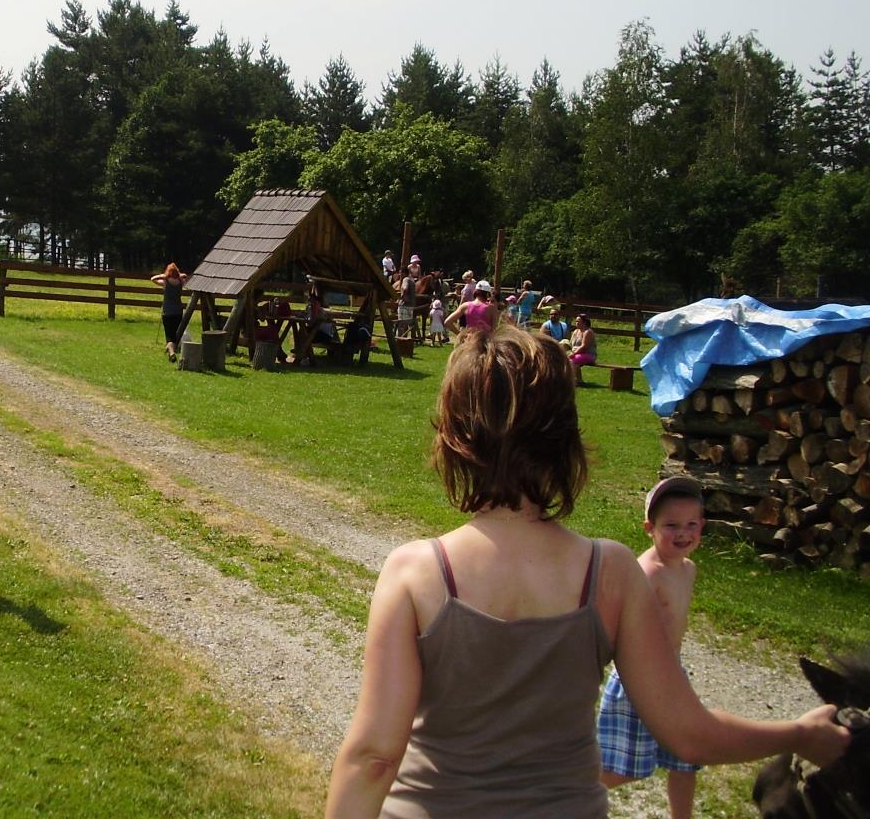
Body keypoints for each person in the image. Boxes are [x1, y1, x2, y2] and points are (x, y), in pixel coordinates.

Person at [325, 328, 848, 818]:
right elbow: (687, 733)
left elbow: (374, 756)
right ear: (565, 439)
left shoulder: (415, 571)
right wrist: (798, 734)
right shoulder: (611, 570)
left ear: (456, 436)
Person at [599, 477, 707, 819]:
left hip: (673, 675)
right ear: (650, 528)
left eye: (691, 525)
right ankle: (563, 798)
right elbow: (618, 624)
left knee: (687, 755)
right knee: (623, 767)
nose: (683, 533)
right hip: (640, 680)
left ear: (702, 525)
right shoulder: (647, 573)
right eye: (671, 525)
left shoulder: (687, 569)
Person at [151, 263, 191, 361]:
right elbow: (188, 278)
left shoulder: (165, 282)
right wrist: (181, 275)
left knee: (169, 335)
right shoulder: (180, 282)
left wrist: (163, 276)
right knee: (176, 334)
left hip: (167, 312)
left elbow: (153, 279)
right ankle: (171, 350)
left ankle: (171, 351)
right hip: (178, 311)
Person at [569, 312, 598, 385]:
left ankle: (573, 381)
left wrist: (574, 353)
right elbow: (570, 344)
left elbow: (584, 347)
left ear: (584, 322)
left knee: (572, 360)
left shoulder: (588, 332)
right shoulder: (576, 331)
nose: (576, 323)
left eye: (578, 321)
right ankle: (579, 380)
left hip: (589, 354)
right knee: (566, 359)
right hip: (577, 354)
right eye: (576, 321)